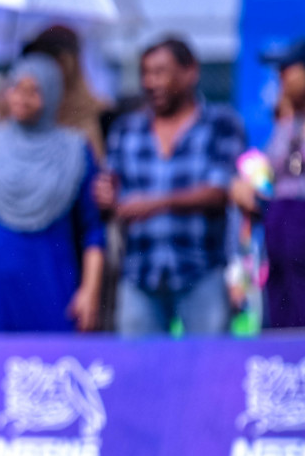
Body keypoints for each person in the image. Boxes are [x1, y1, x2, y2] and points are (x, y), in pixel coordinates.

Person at [0, 54, 104, 334]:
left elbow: (93, 230)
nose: (22, 98)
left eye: (34, 90)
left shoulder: (75, 151)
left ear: (52, 94)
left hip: (52, 283)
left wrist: (91, 291)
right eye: (16, 87)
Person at [97, 37, 245, 337]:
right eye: (145, 73)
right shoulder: (127, 129)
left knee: (208, 367)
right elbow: (111, 189)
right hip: (140, 272)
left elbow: (220, 191)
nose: (151, 82)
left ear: (190, 72)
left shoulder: (221, 123)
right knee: (139, 372)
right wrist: (105, 195)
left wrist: (154, 203)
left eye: (160, 72)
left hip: (201, 271)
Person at [233, 39, 305, 327]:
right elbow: (265, 179)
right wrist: (242, 188)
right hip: (280, 256)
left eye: (288, 69)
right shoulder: (285, 126)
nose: (281, 78)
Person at [22, 24, 111, 161]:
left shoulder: (102, 115)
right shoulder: (28, 112)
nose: (40, 70)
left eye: (50, 60)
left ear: (70, 63)